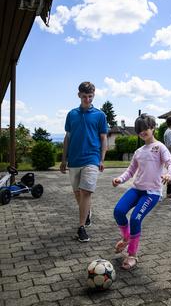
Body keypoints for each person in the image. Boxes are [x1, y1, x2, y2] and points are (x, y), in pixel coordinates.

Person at [112, 114, 171, 270]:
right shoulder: (139, 151)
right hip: (136, 189)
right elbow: (130, 170)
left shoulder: (160, 147)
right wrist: (120, 179)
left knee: (135, 219)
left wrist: (169, 174)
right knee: (118, 211)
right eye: (139, 130)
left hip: (151, 193)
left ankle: (132, 254)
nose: (143, 132)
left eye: (146, 128)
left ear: (153, 127)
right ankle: (126, 238)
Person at [60, 82, 108, 242]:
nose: (87, 99)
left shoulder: (100, 115)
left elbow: (103, 138)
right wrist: (63, 159)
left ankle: (81, 227)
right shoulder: (71, 114)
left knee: (86, 191)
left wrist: (102, 159)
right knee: (78, 194)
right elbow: (67, 137)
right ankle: (87, 213)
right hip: (74, 160)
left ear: (93, 95)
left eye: (90, 96)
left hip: (92, 158)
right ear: (79, 95)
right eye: (84, 96)